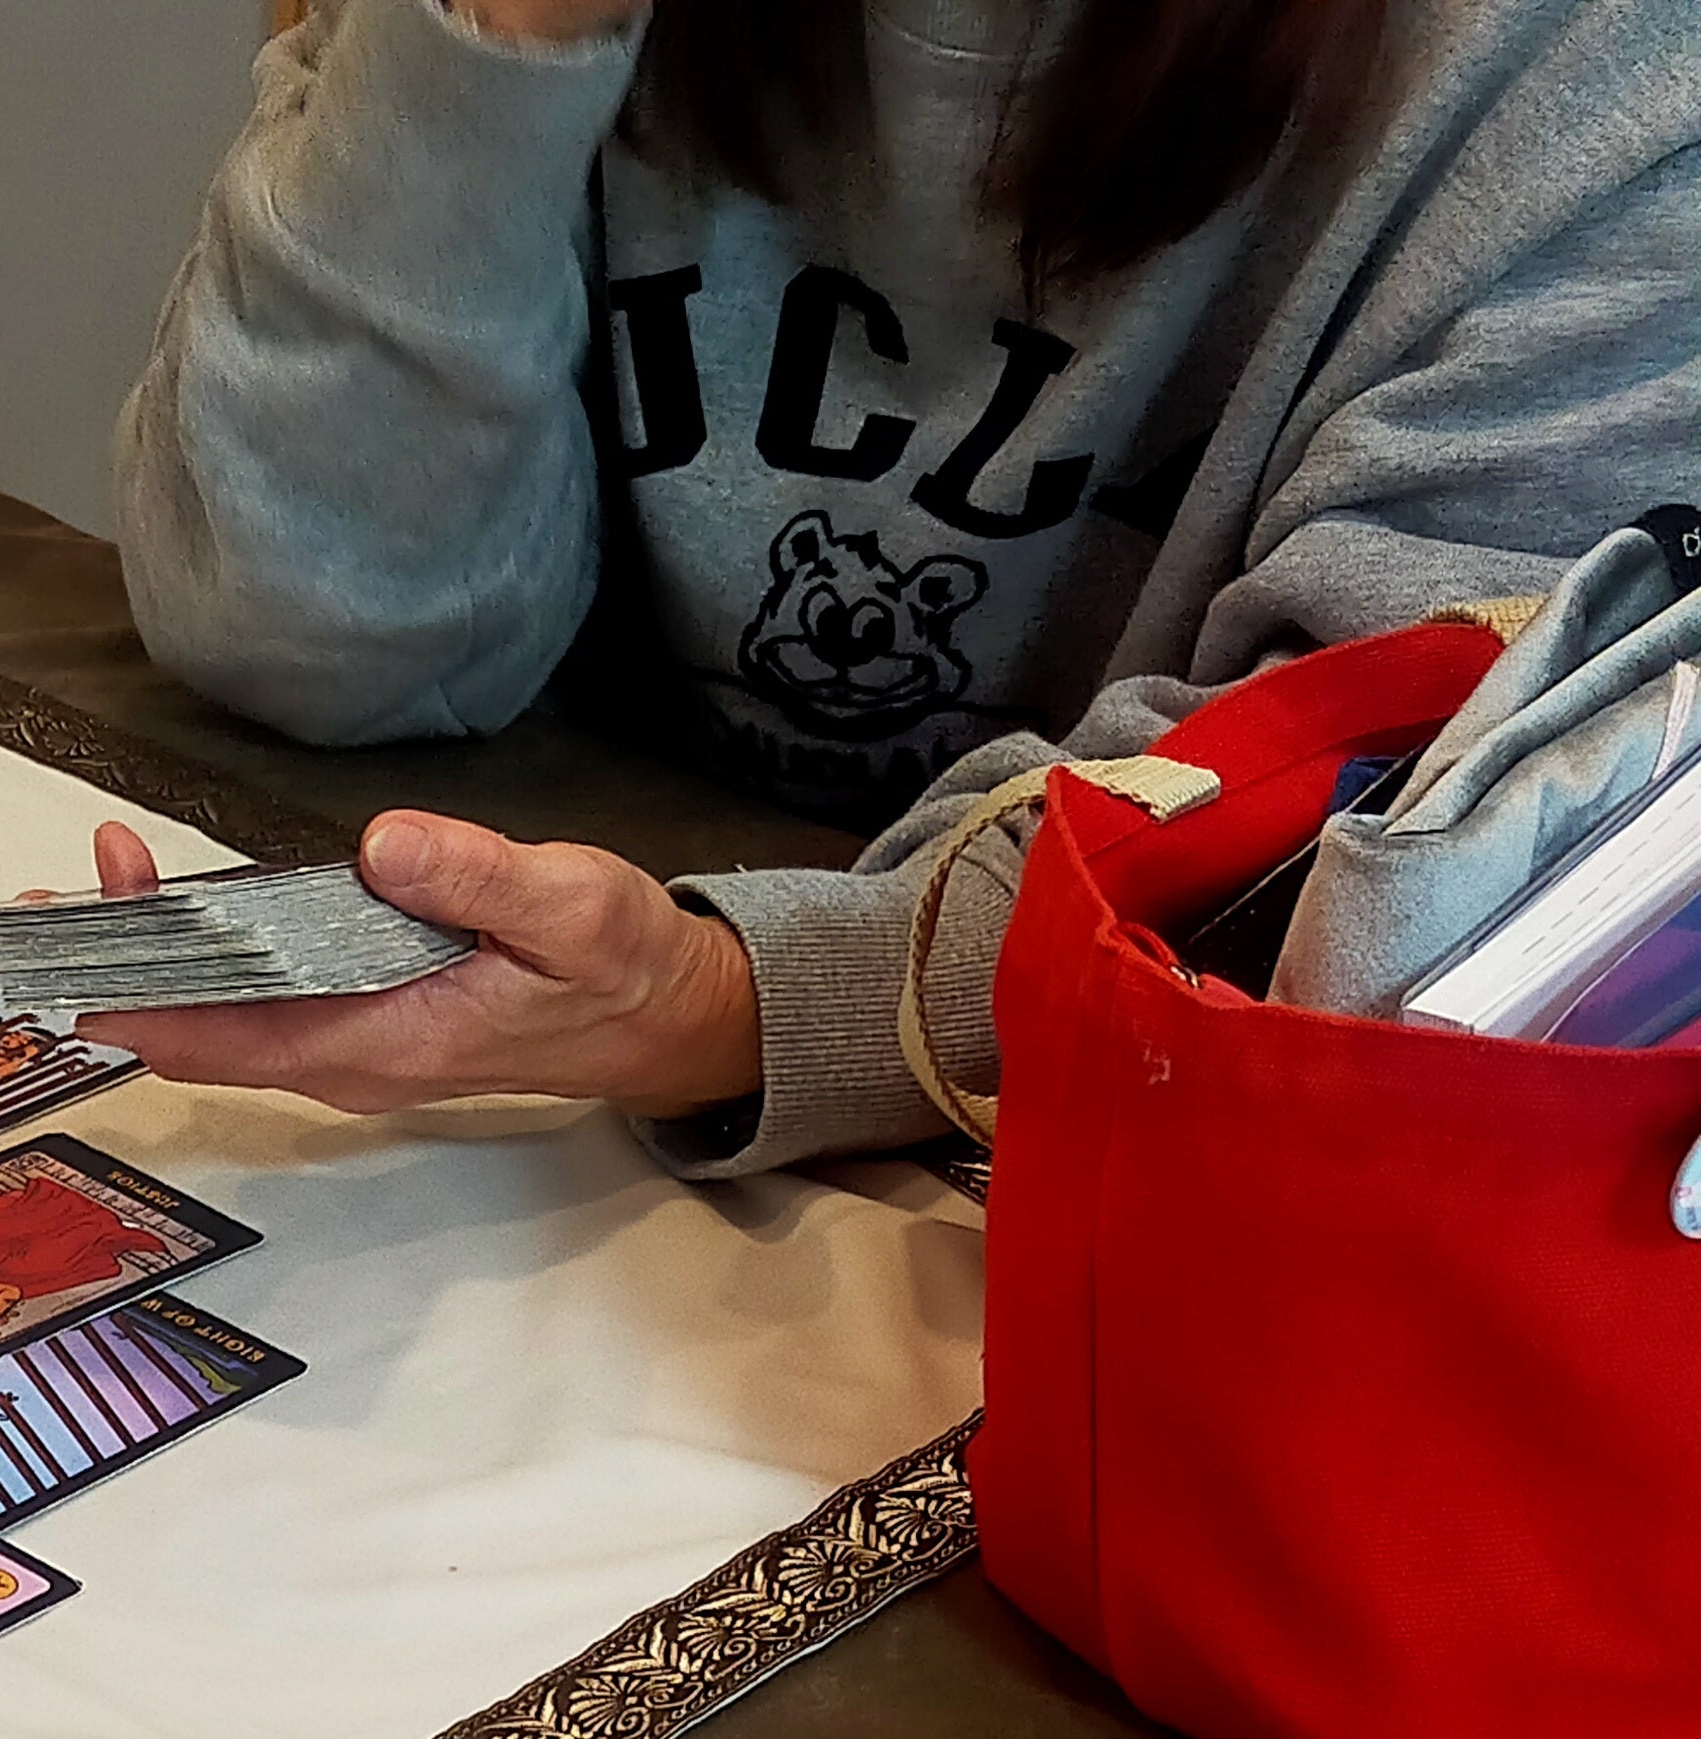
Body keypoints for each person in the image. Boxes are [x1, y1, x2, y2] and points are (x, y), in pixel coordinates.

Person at [99, 0, 1701, 1174]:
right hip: (560, 1074)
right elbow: (301, 613)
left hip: (1085, 1150)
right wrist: (497, 41)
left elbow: (1386, 853)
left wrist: (729, 1001)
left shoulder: (1605, 73)